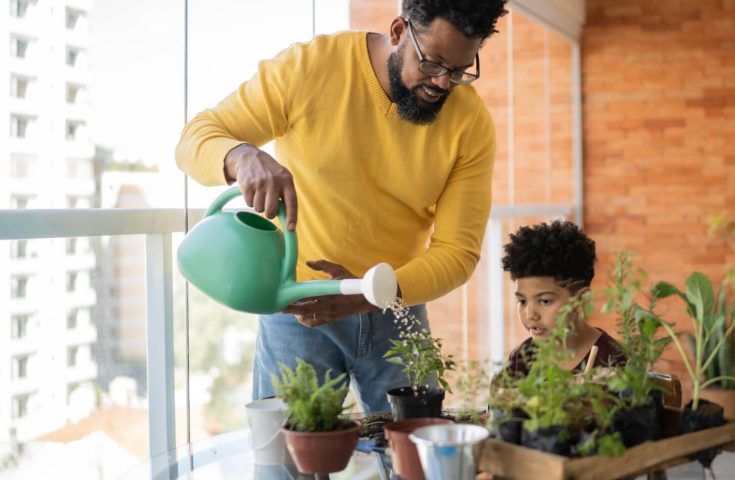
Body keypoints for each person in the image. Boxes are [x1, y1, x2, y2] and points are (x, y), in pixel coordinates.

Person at [175, 0, 508, 412]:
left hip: (396, 307)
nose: (442, 84)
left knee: (413, 466)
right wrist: (241, 156)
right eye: (433, 63)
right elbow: (194, 139)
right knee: (287, 467)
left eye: (459, 71)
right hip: (297, 306)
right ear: (399, 32)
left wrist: (367, 295)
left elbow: (458, 253)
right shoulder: (311, 68)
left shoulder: (470, 122)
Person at [499, 220, 626, 380]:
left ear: (581, 299)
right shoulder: (520, 360)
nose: (530, 315)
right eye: (523, 301)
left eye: (545, 301)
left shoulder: (612, 360)